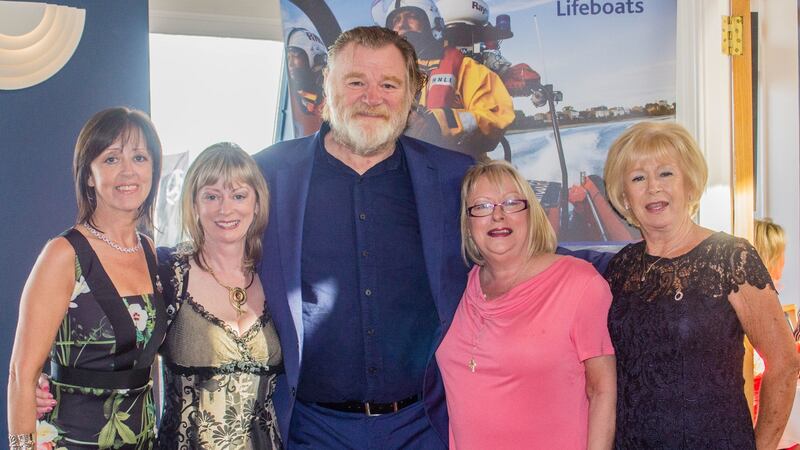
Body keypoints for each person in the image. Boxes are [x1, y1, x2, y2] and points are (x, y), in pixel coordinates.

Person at [255, 25, 610, 449]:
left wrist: (642, 263)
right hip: (311, 428)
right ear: (327, 89)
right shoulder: (268, 175)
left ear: (410, 99)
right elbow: (213, 252)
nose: (372, 97)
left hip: (421, 426)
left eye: (389, 84)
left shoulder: (451, 175)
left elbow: (515, 247)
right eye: (355, 82)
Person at [602, 121, 799, 449]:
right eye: (638, 178)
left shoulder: (730, 255)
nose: (653, 187)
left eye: (666, 173)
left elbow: (784, 362)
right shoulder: (620, 269)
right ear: (624, 197)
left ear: (690, 185)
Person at [8, 107, 167, 449]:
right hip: (72, 440)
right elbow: (22, 376)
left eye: (139, 157)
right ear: (90, 175)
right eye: (111, 159)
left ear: (153, 169)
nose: (128, 171)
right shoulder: (63, 254)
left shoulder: (149, 251)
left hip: (142, 440)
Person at [436, 160, 616, 449]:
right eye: (482, 206)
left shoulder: (579, 283)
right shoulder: (459, 287)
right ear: (468, 227)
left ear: (531, 215)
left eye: (510, 202)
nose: (498, 215)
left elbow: (602, 391)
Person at [155, 143, 283, 449]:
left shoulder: (275, 275)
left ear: (256, 204)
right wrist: (43, 378)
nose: (226, 209)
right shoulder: (168, 272)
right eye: (211, 196)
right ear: (194, 204)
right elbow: (111, 339)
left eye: (238, 195)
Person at [371, 0, 515, 160]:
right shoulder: (384, 76)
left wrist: (436, 123)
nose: (402, 25)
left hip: (462, 172)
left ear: (432, 23)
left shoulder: (466, 68)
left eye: (411, 16)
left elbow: (497, 115)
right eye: (395, 21)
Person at [285, 27, 327, 137]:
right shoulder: (293, 99)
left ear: (315, 59)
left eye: (295, 56)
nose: (290, 64)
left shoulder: (333, 102)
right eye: (288, 57)